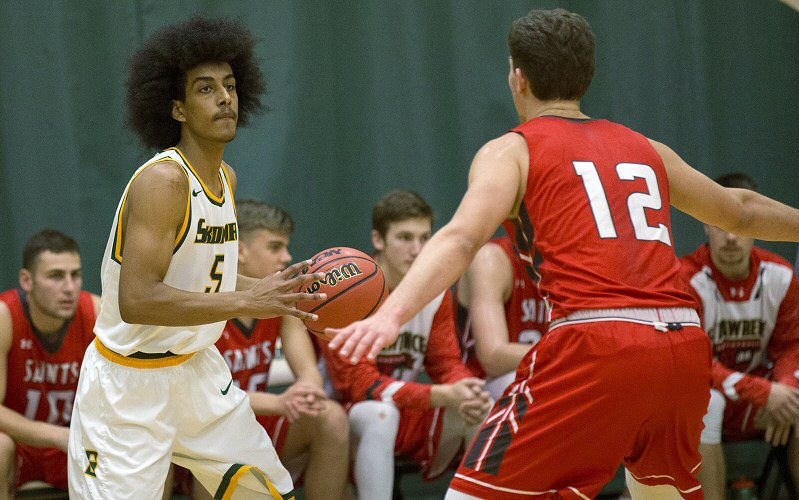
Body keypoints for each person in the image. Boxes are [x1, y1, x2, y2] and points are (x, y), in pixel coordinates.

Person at [328, 8, 799, 500]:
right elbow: (740, 212)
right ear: (587, 77)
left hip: (596, 340)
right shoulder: (646, 147)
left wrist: (391, 315)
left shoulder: (511, 150)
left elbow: (461, 237)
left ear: (518, 77)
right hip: (682, 344)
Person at [67, 17, 325, 500]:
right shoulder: (164, 182)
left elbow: (214, 280)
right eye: (206, 89)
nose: (225, 97)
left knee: (270, 493)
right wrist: (250, 302)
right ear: (178, 108)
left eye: (229, 85)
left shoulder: (225, 176)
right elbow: (138, 300)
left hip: (196, 371)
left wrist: (284, 292)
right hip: (129, 384)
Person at [318, 190, 492, 500]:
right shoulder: (346, 289)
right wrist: (440, 394)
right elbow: (358, 384)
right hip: (346, 417)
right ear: (378, 239)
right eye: (405, 238)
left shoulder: (435, 290)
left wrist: (465, 387)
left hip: (408, 406)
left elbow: (445, 362)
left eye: (425, 238)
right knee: (379, 415)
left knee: (480, 407)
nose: (417, 249)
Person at [178, 199, 350, 500]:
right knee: (220, 440)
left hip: (257, 415)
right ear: (240, 250)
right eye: (275, 247)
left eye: (286, 247)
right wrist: (278, 403)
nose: (287, 257)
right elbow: (203, 399)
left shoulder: (283, 303)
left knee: (330, 417)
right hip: (203, 427)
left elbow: (309, 371)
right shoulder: (203, 304)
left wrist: (307, 391)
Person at [680, 172, 799, 500]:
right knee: (706, 405)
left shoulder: (780, 276)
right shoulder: (686, 279)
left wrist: (786, 390)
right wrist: (763, 392)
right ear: (705, 225)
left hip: (757, 395)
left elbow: (792, 344)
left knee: (798, 404)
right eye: (720, 224)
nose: (731, 237)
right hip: (708, 392)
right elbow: (697, 364)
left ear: (757, 227)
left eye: (740, 225)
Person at [0, 230, 99, 499]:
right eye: (56, 276)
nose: (69, 287)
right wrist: (57, 436)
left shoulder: (96, 314)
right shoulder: (5, 317)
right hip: (22, 444)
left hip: (76, 444)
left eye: (75, 275)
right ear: (26, 280)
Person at [455, 235, 548, 400]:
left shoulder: (575, 265)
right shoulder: (491, 259)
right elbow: (492, 357)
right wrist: (566, 353)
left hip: (542, 373)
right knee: (531, 384)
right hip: (475, 392)